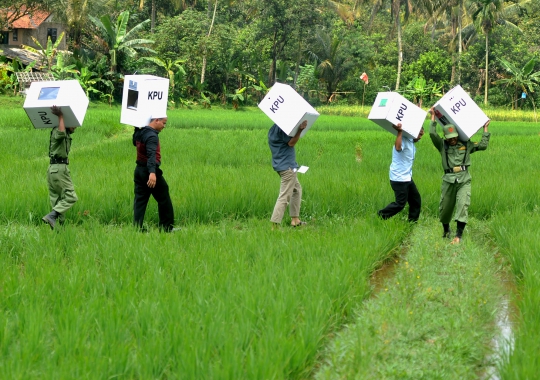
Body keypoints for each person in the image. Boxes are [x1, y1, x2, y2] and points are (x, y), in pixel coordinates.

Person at [429, 107, 491, 244]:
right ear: (446, 137)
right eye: (450, 138)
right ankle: (446, 230)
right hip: (448, 180)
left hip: (464, 179)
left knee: (463, 204)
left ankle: (459, 235)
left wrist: (485, 129)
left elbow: (482, 146)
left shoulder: (466, 144)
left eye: (455, 137)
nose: (453, 140)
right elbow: (432, 134)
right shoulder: (442, 145)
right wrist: (433, 116)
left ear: (457, 134)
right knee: (445, 207)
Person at [133, 114, 175, 232]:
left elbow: (134, 141)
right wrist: (152, 173)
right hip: (149, 171)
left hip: (139, 171)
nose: (164, 126)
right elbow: (151, 155)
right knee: (164, 197)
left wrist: (136, 127)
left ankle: (137, 228)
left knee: (140, 199)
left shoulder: (141, 132)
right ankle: (166, 228)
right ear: (156, 120)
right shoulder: (152, 136)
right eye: (164, 123)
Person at [378, 123, 424, 222]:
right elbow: (398, 148)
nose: (420, 137)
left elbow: (417, 123)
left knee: (416, 200)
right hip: (399, 178)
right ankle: (381, 216)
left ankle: (412, 222)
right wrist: (399, 132)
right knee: (400, 204)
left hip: (407, 177)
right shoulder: (403, 139)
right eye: (419, 135)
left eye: (422, 135)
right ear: (413, 133)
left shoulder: (411, 140)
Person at [42, 106, 78, 229]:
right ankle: (51, 216)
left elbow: (64, 133)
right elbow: (61, 133)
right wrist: (61, 116)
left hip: (53, 169)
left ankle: (58, 229)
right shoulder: (59, 130)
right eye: (74, 124)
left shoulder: (66, 133)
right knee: (70, 197)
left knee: (58, 201)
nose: (76, 127)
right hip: (59, 169)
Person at [268, 120, 307, 228]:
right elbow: (291, 143)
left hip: (280, 165)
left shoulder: (273, 129)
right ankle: (274, 225)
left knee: (297, 189)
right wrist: (299, 130)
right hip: (288, 167)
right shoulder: (283, 129)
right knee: (285, 195)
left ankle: (295, 220)